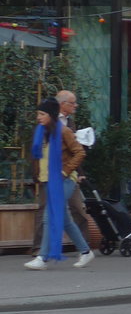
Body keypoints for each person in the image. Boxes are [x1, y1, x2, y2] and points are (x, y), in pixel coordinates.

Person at [25, 98, 95, 270]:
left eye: (42, 114)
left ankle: (42, 257)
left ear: (51, 115)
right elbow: (37, 159)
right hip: (47, 181)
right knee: (64, 220)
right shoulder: (41, 132)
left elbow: (79, 153)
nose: (39, 118)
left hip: (64, 180)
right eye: (38, 114)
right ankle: (86, 252)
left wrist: (65, 171)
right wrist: (37, 176)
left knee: (50, 216)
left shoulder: (64, 131)